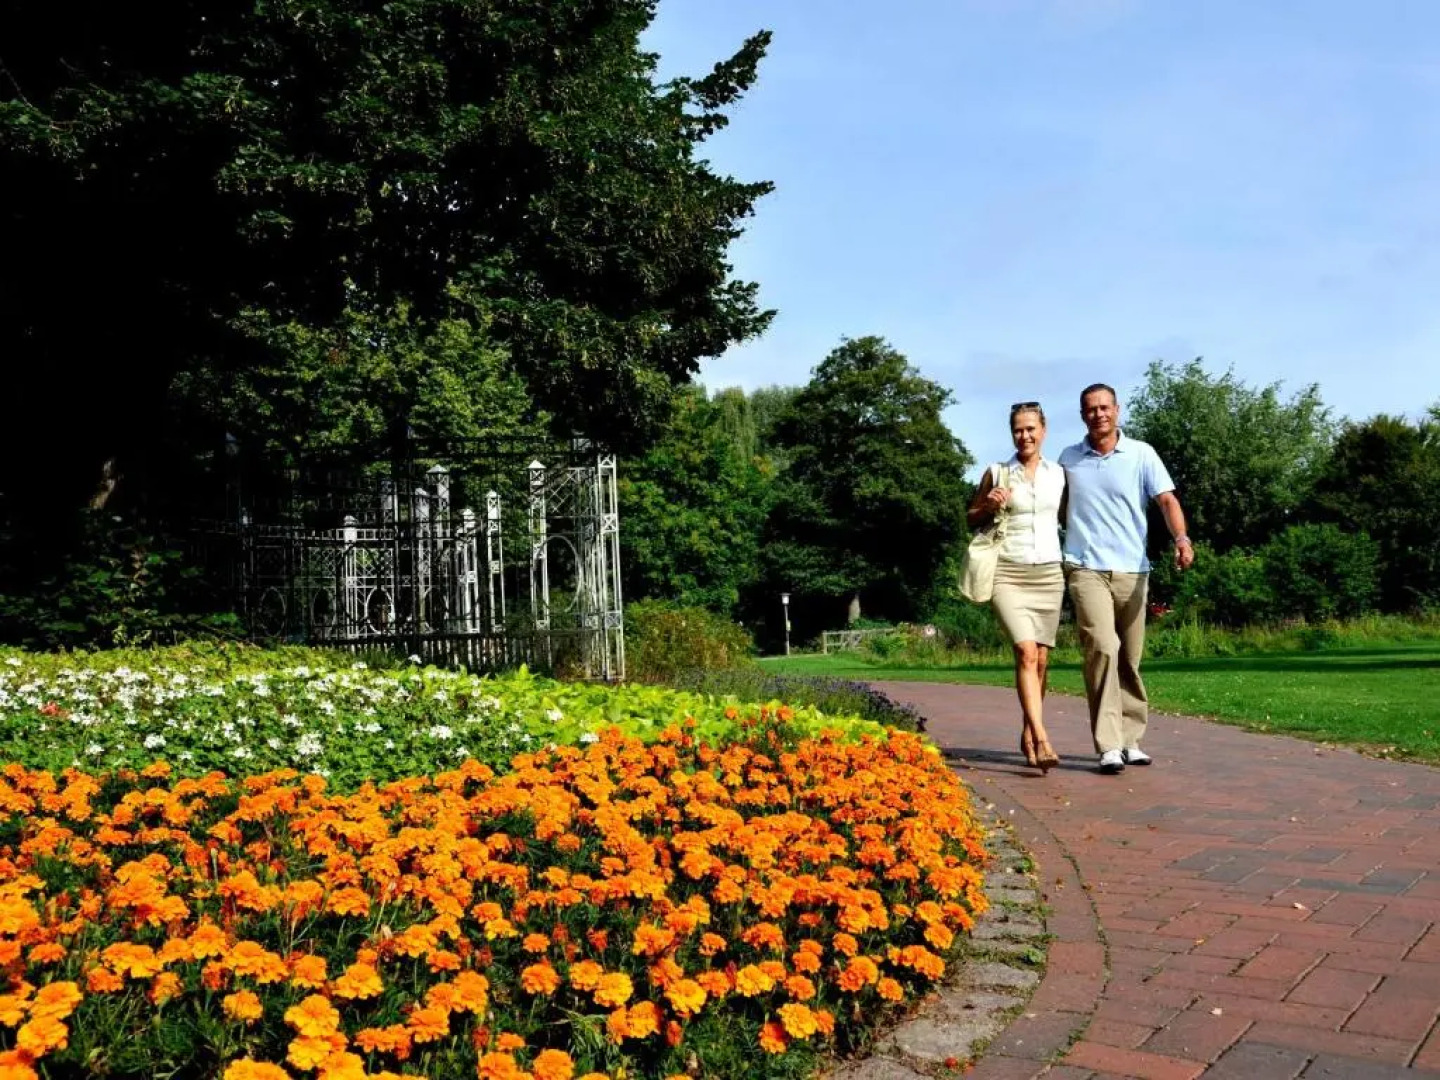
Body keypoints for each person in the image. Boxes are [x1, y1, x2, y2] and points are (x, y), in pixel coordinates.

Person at [1059, 383, 1194, 774]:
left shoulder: (1141, 454)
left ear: (1117, 410)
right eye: (1090, 409)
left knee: (1130, 659)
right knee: (1102, 647)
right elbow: (1053, 505)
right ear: (1082, 414)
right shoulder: (1069, 458)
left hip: (1133, 570)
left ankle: (1131, 740)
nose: (1098, 414)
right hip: (1085, 568)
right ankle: (1107, 745)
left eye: (1104, 407)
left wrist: (1181, 539)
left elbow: (1167, 500)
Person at [967, 402, 1067, 773]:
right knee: (1025, 651)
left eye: (1030, 429)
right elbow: (970, 517)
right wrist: (988, 506)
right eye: (1017, 430)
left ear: (1044, 430)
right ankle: (1042, 737)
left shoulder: (1059, 474)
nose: (1024, 436)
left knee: (1041, 659)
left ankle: (1027, 732)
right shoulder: (997, 472)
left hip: (1049, 574)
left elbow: (1072, 517)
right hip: (1008, 572)